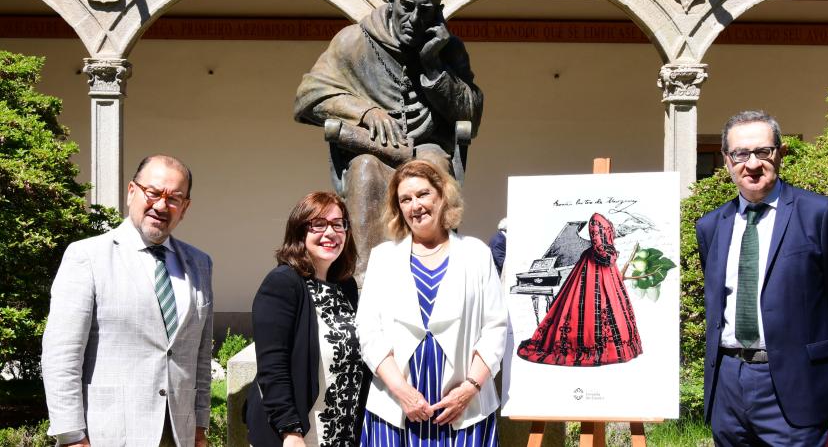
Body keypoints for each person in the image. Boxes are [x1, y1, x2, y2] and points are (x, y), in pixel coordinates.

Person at [294, 0, 483, 282]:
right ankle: (363, 280)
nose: (414, 19)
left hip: (427, 147)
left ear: (437, 13)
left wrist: (433, 66)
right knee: (364, 170)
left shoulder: (448, 49)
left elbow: (471, 112)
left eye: (425, 11)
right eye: (407, 7)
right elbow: (309, 97)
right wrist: (365, 111)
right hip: (373, 146)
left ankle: (431, 272)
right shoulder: (354, 40)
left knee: (430, 173)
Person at [696, 111, 828, 446]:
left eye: (763, 151)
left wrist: (817, 365)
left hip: (796, 382)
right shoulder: (711, 225)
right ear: (726, 160)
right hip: (728, 381)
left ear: (780, 153)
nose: (752, 164)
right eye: (741, 153)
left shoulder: (819, 213)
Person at [42, 155, 213, 447]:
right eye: (153, 192)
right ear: (132, 191)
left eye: (174, 198)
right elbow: (62, 354)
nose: (161, 205)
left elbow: (200, 356)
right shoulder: (87, 257)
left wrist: (199, 424)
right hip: (107, 435)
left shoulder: (200, 264)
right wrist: (71, 435)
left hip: (178, 434)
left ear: (185, 208)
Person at [356, 160, 507, 446]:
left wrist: (469, 389)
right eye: (405, 199)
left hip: (465, 411)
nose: (415, 206)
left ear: (442, 195)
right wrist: (402, 391)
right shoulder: (383, 257)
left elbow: (495, 328)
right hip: (395, 410)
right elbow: (368, 331)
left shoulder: (476, 254)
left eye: (423, 194)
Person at [245, 192, 368, 446]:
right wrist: (290, 431)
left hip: (343, 432)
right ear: (300, 230)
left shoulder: (345, 286)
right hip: (300, 433)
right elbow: (273, 367)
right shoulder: (283, 283)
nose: (330, 233)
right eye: (319, 224)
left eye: (338, 224)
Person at [517, 212, 642, 366]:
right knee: (585, 305)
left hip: (606, 271)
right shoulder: (596, 220)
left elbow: (607, 242)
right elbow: (601, 251)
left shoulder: (604, 220)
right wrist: (612, 255)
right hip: (593, 268)